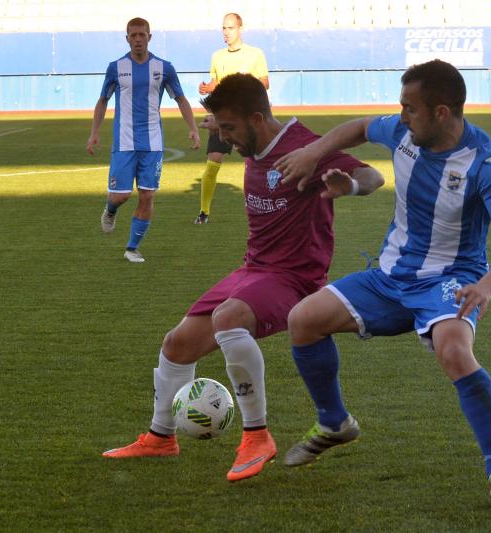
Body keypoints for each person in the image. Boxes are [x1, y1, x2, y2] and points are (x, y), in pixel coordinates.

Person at [274, 59, 491, 503]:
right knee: (303, 319)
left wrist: (487, 285)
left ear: (441, 113)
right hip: (389, 277)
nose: (400, 116)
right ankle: (335, 422)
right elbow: (358, 127)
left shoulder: (485, 163)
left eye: (409, 108)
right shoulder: (403, 133)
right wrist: (315, 153)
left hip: (448, 280)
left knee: (453, 350)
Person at [102, 73, 385, 482]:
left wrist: (350, 186)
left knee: (229, 317)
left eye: (231, 129)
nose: (226, 139)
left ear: (256, 118)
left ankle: (257, 435)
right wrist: (219, 121)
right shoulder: (252, 137)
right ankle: (161, 437)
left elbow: (374, 177)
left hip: (295, 278)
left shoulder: (305, 148)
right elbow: (232, 127)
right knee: (177, 344)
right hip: (254, 269)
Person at [87, 17, 200, 263]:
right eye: (133, 35)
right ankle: (111, 209)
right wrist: (94, 133)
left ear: (150, 36)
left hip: (153, 143)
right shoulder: (115, 67)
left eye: (142, 35)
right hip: (124, 142)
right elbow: (103, 100)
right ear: (127, 38)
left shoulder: (164, 68)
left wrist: (192, 128)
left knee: (148, 195)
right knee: (121, 196)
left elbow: (180, 98)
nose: (138, 39)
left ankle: (132, 248)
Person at [194, 12, 269, 225]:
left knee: (255, 164)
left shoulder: (255, 54)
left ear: (240, 29)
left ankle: (262, 207)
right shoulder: (217, 56)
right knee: (213, 162)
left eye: (231, 28)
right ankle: (203, 211)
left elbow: (264, 83)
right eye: (224, 28)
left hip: (246, 118)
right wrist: (209, 88)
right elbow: (215, 86)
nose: (226, 32)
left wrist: (241, 85)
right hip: (223, 118)